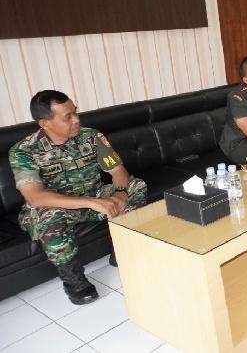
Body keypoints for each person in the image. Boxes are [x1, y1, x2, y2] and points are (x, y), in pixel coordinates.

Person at [9, 91, 147, 305]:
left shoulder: (91, 136)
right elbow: (36, 197)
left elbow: (118, 170)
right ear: (45, 123)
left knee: (136, 186)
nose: (76, 120)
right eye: (68, 117)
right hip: (55, 207)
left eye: (75, 112)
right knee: (49, 218)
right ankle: (75, 282)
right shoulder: (23, 151)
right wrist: (92, 203)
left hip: (93, 195)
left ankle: (121, 250)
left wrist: (120, 193)